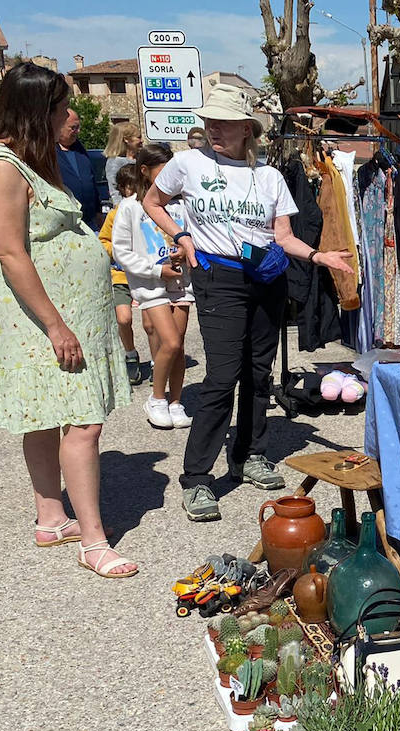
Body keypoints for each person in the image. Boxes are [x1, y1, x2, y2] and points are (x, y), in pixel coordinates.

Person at [142, 84, 353, 522]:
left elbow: (283, 236)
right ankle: (197, 478)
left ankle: (249, 454)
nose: (214, 129)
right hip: (219, 277)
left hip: (267, 277)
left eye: (225, 123)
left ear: (246, 130)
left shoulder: (271, 176)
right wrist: (181, 236)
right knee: (222, 376)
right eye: (210, 122)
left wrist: (318, 256)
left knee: (259, 372)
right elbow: (152, 201)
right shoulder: (187, 164)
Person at [0, 63, 135, 577]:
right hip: (44, 318)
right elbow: (11, 253)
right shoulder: (0, 166)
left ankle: (51, 518)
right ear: (38, 109)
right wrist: (57, 325)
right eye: (60, 105)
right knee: (83, 422)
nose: (69, 114)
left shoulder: (28, 159)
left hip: (63, 312)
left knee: (43, 415)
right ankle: (94, 540)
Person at [112, 153, 193, 429]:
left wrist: (185, 249)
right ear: (145, 171)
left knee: (178, 345)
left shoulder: (181, 205)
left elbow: (192, 236)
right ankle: (157, 398)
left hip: (182, 282)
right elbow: (121, 252)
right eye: (163, 171)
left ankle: (176, 401)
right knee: (168, 341)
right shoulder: (130, 207)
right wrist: (157, 270)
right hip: (151, 285)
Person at [96, 181, 145, 385]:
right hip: (121, 275)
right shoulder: (115, 214)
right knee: (123, 319)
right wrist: (119, 254)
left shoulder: (149, 212)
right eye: (129, 188)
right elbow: (103, 240)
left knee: (153, 325)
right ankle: (130, 354)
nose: (132, 192)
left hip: (146, 274)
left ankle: (158, 362)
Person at [56, 108, 105, 229]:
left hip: (89, 221)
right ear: (60, 126)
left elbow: (92, 181)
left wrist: (98, 211)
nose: (78, 131)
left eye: (78, 127)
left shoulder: (79, 149)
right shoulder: (49, 152)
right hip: (65, 222)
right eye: (73, 128)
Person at [103, 121, 143, 206]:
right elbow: (114, 190)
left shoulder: (141, 158)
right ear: (126, 139)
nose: (142, 141)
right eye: (138, 137)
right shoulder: (115, 162)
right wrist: (119, 209)